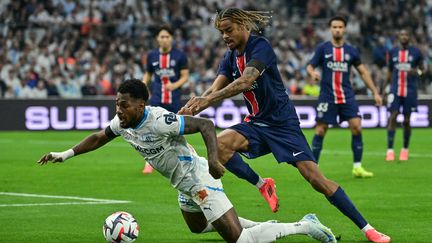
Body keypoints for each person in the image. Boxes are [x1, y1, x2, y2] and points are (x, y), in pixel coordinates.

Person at [179, 9, 390, 243]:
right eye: (221, 32)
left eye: (228, 30)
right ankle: (263, 184)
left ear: (243, 26)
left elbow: (247, 79)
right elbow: (212, 91)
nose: (224, 36)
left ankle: (368, 229)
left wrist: (206, 100)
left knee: (316, 180)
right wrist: (190, 109)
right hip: (257, 124)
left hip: (283, 125)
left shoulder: (260, 47)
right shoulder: (229, 58)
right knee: (219, 146)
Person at [37, 79, 337, 243]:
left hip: (199, 178)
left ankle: (304, 225)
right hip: (182, 185)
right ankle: (262, 225)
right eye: (117, 104)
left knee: (240, 241)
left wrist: (214, 159)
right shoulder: (123, 123)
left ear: (141, 105)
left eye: (124, 105)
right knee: (197, 227)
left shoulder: (159, 120)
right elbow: (99, 137)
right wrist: (64, 154)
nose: (118, 110)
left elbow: (205, 125)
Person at [306, 16, 383, 178]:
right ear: (330, 29)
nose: (337, 30)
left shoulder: (351, 51)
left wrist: (375, 91)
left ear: (345, 29)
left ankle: (357, 167)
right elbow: (310, 65)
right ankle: (313, 170)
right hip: (327, 96)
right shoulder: (323, 48)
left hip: (347, 96)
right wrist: (313, 73)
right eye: (334, 27)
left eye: (340, 27)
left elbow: (363, 72)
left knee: (357, 127)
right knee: (320, 130)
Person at [141, 25, 190, 174]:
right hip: (156, 99)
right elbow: (148, 74)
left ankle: (183, 160)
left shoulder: (180, 56)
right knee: (151, 131)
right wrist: (142, 87)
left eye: (167, 36)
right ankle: (149, 162)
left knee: (176, 131)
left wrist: (174, 85)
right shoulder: (152, 56)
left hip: (174, 99)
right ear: (157, 39)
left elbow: (185, 76)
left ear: (172, 38)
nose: (164, 39)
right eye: (162, 36)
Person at [383, 29, 424, 161]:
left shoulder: (416, 52)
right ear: (398, 37)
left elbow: (423, 69)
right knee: (393, 117)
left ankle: (404, 150)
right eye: (402, 35)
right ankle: (390, 150)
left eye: (406, 34)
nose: (404, 37)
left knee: (406, 120)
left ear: (410, 37)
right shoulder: (393, 52)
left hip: (410, 90)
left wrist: (416, 71)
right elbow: (389, 72)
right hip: (395, 90)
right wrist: (384, 89)